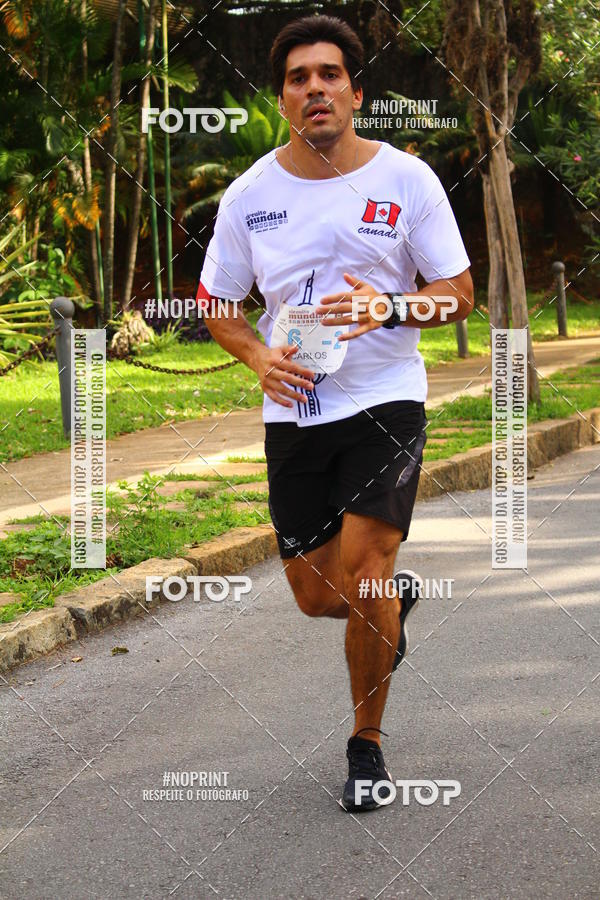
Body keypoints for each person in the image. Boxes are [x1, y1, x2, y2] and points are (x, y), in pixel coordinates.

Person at [198, 14, 473, 811]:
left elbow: (458, 296)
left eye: (329, 75)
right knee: (320, 595)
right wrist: (258, 357)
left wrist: (391, 306)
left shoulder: (407, 181)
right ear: (283, 98)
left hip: (386, 400)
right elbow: (216, 302)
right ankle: (390, 608)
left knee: (367, 567)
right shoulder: (251, 195)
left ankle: (366, 746)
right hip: (295, 410)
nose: (314, 88)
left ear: (356, 92)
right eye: (298, 78)